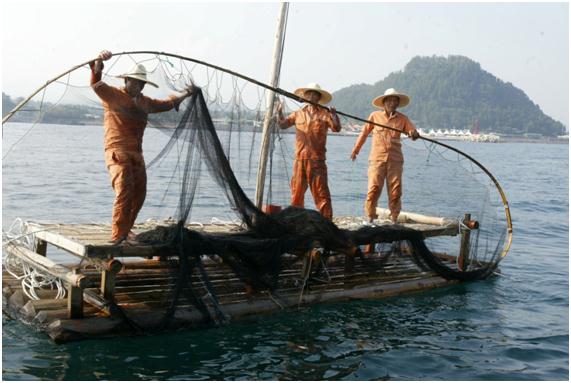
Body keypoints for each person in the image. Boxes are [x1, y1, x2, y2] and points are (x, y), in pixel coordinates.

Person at [90, 50, 193, 244]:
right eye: (134, 81)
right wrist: (98, 61)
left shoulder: (145, 102)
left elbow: (166, 104)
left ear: (143, 85)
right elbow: (95, 83)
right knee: (124, 189)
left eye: (140, 83)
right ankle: (118, 234)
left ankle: (127, 230)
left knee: (140, 193)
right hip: (117, 152)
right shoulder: (112, 95)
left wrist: (187, 93)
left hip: (136, 154)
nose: (136, 85)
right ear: (126, 80)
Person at [350, 88, 420, 224]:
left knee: (395, 191)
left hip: (395, 160)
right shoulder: (374, 116)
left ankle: (394, 219)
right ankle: (370, 218)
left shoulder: (403, 119)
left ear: (398, 103)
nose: (392, 103)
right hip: (377, 159)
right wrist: (356, 150)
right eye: (389, 100)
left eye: (395, 101)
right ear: (384, 102)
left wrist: (414, 134)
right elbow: (364, 133)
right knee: (373, 189)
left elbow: (412, 132)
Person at [276, 83, 341, 220]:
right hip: (299, 160)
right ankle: (297, 223)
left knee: (321, 195)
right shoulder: (298, 114)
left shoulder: (325, 114)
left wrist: (333, 115)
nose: (311, 96)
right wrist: (279, 112)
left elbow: (336, 128)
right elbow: (283, 125)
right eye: (309, 94)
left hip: (317, 161)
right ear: (305, 97)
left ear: (318, 97)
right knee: (296, 194)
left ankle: (327, 225)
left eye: (314, 94)